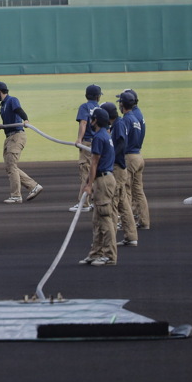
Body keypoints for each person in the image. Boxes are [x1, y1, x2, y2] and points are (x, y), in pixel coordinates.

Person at [0, 81, 43, 203]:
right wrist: (1, 126)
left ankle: (16, 195)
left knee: (11, 166)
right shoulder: (2, 106)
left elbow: (19, 110)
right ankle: (33, 186)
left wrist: (26, 120)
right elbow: (9, 122)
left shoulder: (11, 100)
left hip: (16, 136)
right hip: (9, 137)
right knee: (10, 166)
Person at [79, 107, 117, 266]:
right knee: (97, 219)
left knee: (105, 219)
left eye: (92, 119)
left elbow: (94, 163)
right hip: (104, 179)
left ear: (95, 121)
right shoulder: (104, 135)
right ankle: (95, 253)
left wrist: (88, 185)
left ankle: (109, 256)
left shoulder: (98, 138)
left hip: (103, 180)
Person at [102, 101, 138, 247]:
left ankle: (110, 241)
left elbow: (121, 143)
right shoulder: (117, 123)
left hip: (117, 169)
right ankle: (131, 236)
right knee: (124, 203)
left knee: (114, 203)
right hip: (120, 168)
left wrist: (111, 155)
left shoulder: (119, 125)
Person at [118, 89, 150, 230]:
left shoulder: (127, 119)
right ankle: (144, 221)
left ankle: (127, 223)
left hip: (130, 157)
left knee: (126, 191)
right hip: (138, 155)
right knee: (138, 191)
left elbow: (122, 141)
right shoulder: (137, 116)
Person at [71, 84, 101, 212]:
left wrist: (79, 139)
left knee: (85, 171)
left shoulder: (84, 107)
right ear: (98, 96)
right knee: (97, 172)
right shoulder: (100, 108)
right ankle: (98, 201)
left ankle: (84, 203)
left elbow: (83, 122)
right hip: (99, 143)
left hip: (88, 143)